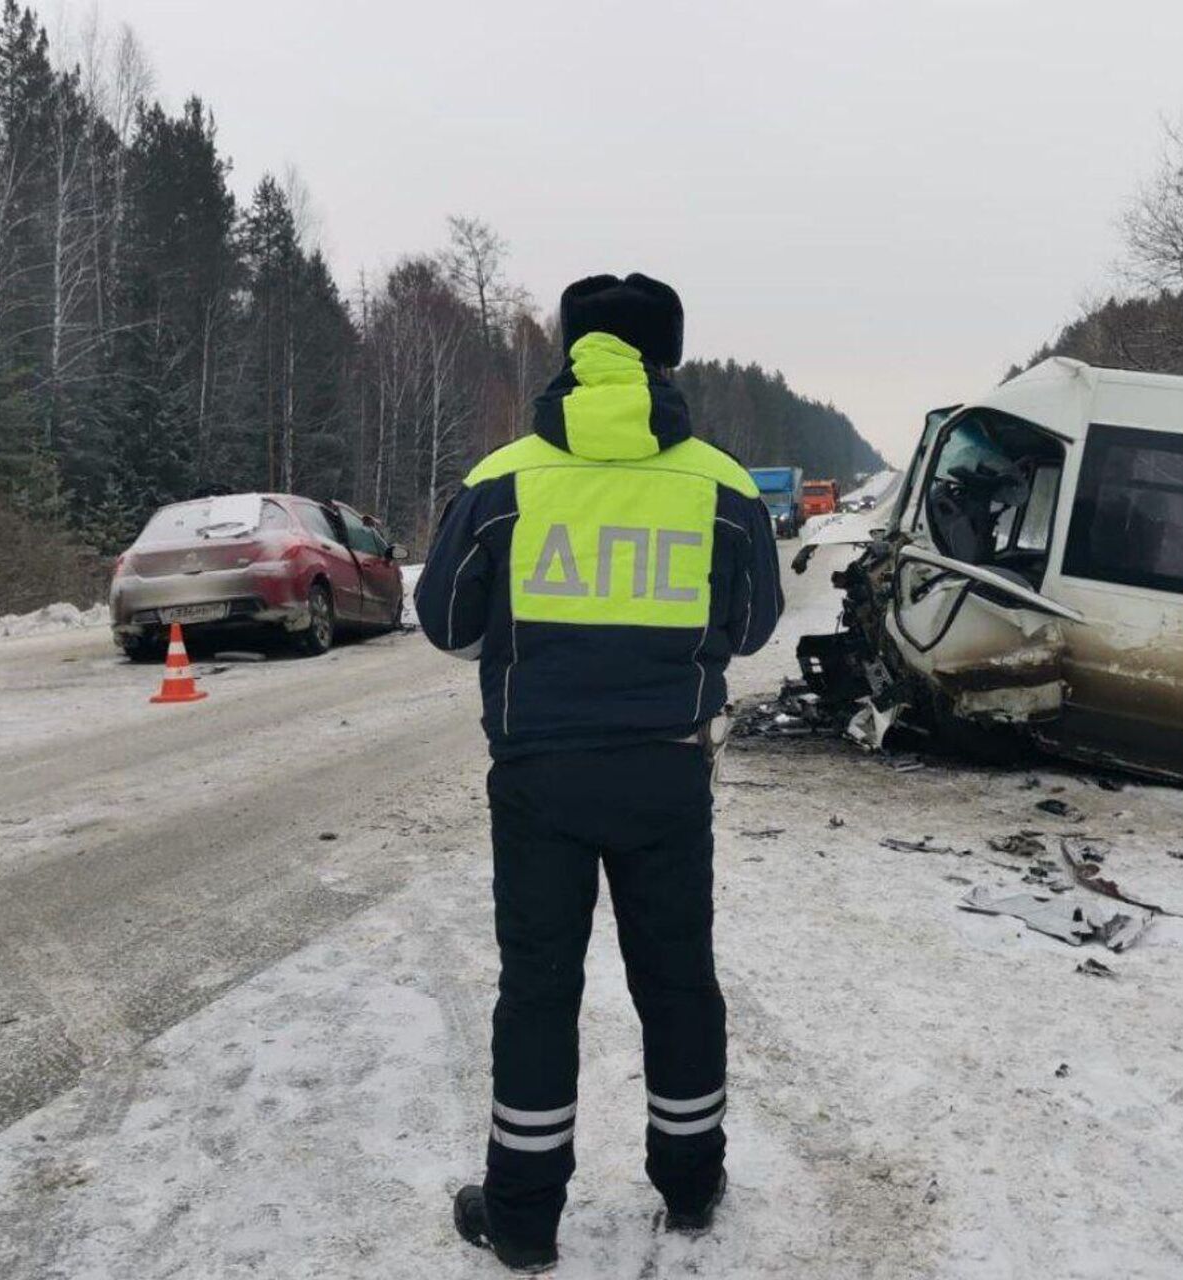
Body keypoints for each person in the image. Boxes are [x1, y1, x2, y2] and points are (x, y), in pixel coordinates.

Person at [415, 273, 783, 1273]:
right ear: (665, 358)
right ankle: (691, 1181)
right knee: (676, 981)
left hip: (538, 778)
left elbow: (446, 621)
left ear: (569, 352)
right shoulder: (722, 484)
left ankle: (525, 1216)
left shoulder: (505, 476)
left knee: (537, 990)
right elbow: (751, 627)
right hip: (665, 775)